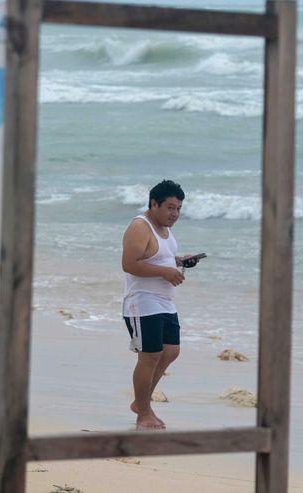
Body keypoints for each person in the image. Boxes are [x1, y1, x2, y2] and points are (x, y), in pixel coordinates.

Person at [121, 179, 203, 430]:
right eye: (170, 207)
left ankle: (141, 403)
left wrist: (179, 261)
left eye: (178, 208)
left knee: (171, 351)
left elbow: (159, 257)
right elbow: (130, 264)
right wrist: (165, 273)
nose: (175, 214)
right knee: (150, 355)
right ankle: (143, 412)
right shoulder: (140, 227)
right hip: (142, 302)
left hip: (165, 301)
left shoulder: (165, 229)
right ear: (153, 204)